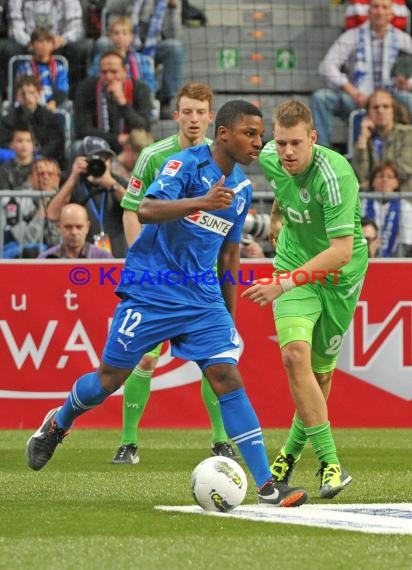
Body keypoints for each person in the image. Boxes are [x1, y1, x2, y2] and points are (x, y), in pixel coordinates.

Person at [25, 99, 309, 508]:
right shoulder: (183, 166)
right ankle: (58, 422)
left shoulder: (243, 190)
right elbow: (146, 209)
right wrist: (200, 202)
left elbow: (229, 255)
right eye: (251, 134)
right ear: (224, 134)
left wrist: (228, 317)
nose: (257, 142)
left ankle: (267, 484)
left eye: (260, 135)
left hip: (202, 297)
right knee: (108, 381)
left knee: (226, 376)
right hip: (152, 289)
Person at [242, 100, 368, 499]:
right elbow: (230, 151)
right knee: (294, 356)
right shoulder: (269, 157)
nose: (288, 153)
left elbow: (342, 251)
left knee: (322, 374)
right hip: (295, 269)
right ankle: (331, 463)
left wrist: (281, 285)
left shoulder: (335, 175)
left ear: (313, 138)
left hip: (339, 278)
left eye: (296, 143)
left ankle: (289, 453)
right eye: (281, 144)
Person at [114, 82, 237, 465]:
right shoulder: (154, 155)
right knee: (145, 357)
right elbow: (132, 210)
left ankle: (220, 440)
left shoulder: (222, 161)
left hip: (200, 277)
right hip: (158, 277)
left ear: (211, 116)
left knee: (214, 357)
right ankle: (128, 442)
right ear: (176, 115)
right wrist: (141, 265)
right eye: (188, 111)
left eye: (201, 112)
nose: (194, 118)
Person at [312, 0, 412, 148]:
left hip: (391, 98)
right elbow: (327, 66)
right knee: (321, 98)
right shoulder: (351, 36)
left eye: (384, 7)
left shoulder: (402, 38)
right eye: (375, 7)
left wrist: (407, 83)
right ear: (369, 12)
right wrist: (352, 91)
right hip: (357, 98)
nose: (380, 11)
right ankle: (324, 151)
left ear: (391, 13)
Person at [46, 136, 128, 258]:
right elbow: (52, 214)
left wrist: (112, 185)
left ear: (110, 161)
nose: (100, 162)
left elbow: (137, 209)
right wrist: (73, 176)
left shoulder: (119, 183)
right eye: (94, 158)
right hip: (83, 258)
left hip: (117, 256)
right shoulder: (73, 183)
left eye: (105, 158)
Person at [1, 0, 91, 98]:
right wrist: (31, 42)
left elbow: (77, 29)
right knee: (7, 49)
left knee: (79, 48)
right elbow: (15, 29)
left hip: (59, 43)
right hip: (27, 43)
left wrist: (62, 40)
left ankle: (73, 97)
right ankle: (13, 97)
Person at [74, 50, 152, 155]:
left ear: (125, 71)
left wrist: (122, 102)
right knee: (77, 147)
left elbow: (143, 127)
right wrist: (116, 139)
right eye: (104, 72)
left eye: (114, 72)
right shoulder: (86, 88)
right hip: (98, 143)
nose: (109, 77)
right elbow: (82, 129)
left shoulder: (140, 89)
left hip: (130, 144)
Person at [351, 89, 412, 192]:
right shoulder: (365, 138)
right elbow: (360, 175)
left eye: (385, 107)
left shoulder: (408, 133)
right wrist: (363, 140)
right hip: (371, 196)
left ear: (393, 110)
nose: (380, 111)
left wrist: (378, 179)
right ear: (368, 113)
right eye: (375, 107)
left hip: (404, 194)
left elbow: (406, 168)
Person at [0, 75, 65, 168]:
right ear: (17, 97)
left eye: (31, 93)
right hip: (15, 163)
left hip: (44, 163)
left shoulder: (51, 118)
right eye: (23, 94)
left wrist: (37, 157)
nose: (27, 97)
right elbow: (3, 144)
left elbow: (56, 143)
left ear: (39, 94)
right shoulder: (8, 120)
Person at [361, 160, 412, 256]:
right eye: (380, 176)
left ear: (397, 183)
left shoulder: (405, 207)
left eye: (390, 177)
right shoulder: (361, 204)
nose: (384, 180)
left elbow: (407, 243)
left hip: (395, 262)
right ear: (372, 182)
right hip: (365, 258)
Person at [15, 27, 69, 110]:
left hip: (53, 107)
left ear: (52, 45)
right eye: (40, 41)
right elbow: (21, 92)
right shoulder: (24, 68)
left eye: (48, 42)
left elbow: (62, 91)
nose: (44, 45)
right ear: (32, 45)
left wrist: (53, 103)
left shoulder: (59, 68)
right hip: (30, 107)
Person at [38, 203, 114, 259]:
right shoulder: (46, 259)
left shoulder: (103, 258)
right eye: (68, 227)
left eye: (79, 227)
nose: (74, 232)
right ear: (59, 227)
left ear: (87, 227)